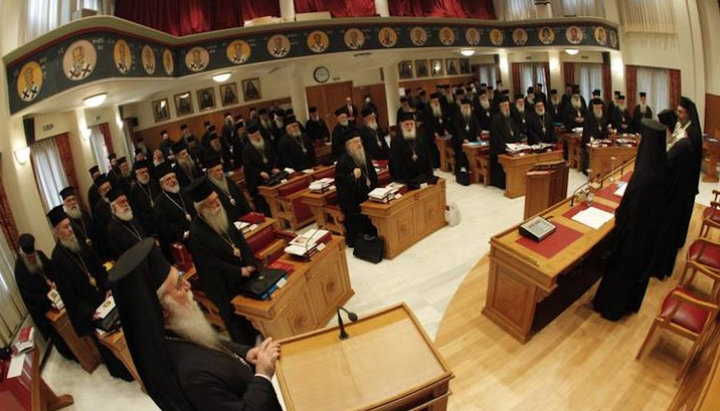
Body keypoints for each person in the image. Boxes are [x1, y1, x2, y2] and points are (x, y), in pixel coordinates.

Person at [109, 239, 282, 410]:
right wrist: (263, 375)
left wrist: (245, 353)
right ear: (162, 310)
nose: (188, 285)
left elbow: (209, 344)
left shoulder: (174, 329)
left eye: (181, 277)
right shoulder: (192, 377)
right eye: (178, 285)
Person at [593, 119, 669, 321]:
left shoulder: (644, 175)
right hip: (646, 236)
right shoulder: (661, 166)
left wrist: (619, 223)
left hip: (631, 237)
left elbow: (630, 210)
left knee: (620, 273)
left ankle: (610, 308)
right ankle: (625, 305)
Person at [47, 206, 133, 381]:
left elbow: (97, 265)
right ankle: (121, 371)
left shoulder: (78, 241)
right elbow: (67, 294)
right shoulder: (57, 258)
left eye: (69, 224)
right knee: (104, 341)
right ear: (56, 232)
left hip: (103, 294)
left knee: (121, 328)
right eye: (65, 227)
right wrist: (88, 312)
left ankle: (132, 360)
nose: (70, 228)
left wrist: (108, 286)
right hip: (88, 305)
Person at [186, 177, 261, 345]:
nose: (218, 203)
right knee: (239, 326)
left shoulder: (220, 213)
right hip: (223, 284)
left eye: (217, 199)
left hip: (243, 272)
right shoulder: (196, 234)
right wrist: (238, 271)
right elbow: (211, 265)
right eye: (212, 202)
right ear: (202, 207)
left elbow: (240, 240)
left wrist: (249, 262)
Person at [652, 99, 703, 278]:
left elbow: (688, 164)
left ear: (688, 114)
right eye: (678, 112)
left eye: (681, 113)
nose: (678, 115)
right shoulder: (684, 127)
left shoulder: (691, 134)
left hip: (683, 186)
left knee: (672, 224)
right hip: (679, 182)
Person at [14, 233, 74, 360]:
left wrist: (54, 282)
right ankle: (69, 354)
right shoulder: (19, 269)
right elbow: (29, 296)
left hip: (57, 297)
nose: (32, 258)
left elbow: (53, 270)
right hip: (43, 306)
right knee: (58, 334)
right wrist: (46, 296)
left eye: (32, 256)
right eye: (29, 257)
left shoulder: (39, 255)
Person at [335, 130, 378, 247]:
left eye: (360, 141)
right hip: (354, 204)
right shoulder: (343, 162)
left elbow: (372, 176)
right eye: (356, 142)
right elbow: (341, 186)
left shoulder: (363, 156)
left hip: (369, 197)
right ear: (348, 145)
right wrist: (352, 177)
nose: (360, 144)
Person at [153, 163, 197, 251]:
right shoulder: (159, 203)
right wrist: (183, 233)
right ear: (162, 184)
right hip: (179, 242)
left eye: (174, 177)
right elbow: (164, 226)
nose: (173, 180)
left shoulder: (184, 192)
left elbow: (194, 211)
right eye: (169, 179)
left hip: (195, 234)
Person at [60, 186, 108, 261]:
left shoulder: (84, 213)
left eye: (73, 199)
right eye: (69, 201)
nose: (72, 202)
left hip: (96, 252)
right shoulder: (66, 221)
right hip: (84, 257)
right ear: (64, 204)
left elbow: (95, 232)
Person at [242, 125, 280, 215]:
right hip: (258, 182)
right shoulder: (247, 149)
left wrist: (275, 167)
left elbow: (275, 157)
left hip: (272, 177)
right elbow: (248, 167)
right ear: (250, 137)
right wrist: (259, 173)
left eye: (259, 134)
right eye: (255, 135)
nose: (258, 137)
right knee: (264, 206)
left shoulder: (267, 143)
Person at [206, 155, 252, 222]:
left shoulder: (228, 180)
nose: (221, 172)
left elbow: (241, 197)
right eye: (217, 170)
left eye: (221, 169)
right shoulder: (209, 187)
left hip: (243, 217)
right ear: (210, 173)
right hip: (228, 221)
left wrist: (249, 213)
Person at [489, 96, 522, 189]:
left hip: (513, 148)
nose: (507, 108)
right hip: (501, 150)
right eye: (504, 106)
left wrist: (517, 143)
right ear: (500, 107)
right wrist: (507, 148)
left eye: (507, 105)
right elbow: (496, 138)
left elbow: (516, 132)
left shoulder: (510, 118)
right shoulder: (495, 119)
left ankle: (518, 180)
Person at [389, 112, 433, 182]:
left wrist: (429, 173)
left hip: (422, 176)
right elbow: (395, 163)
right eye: (407, 124)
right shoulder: (396, 141)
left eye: (411, 124)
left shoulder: (420, 137)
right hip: (406, 178)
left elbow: (427, 156)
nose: (409, 127)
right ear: (401, 125)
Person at [106, 189, 147, 257]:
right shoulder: (112, 229)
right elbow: (121, 254)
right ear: (113, 207)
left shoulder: (131, 217)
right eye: (122, 202)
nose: (126, 204)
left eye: (126, 201)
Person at [129, 160, 159, 237]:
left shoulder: (153, 183)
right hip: (147, 225)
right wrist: (151, 217)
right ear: (136, 175)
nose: (145, 174)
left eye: (146, 171)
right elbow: (136, 212)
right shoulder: (134, 190)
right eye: (142, 173)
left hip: (160, 217)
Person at [581, 98, 610, 175]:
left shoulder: (603, 116)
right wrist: (591, 138)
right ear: (593, 107)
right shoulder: (589, 116)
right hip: (591, 140)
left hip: (600, 140)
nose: (598, 109)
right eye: (596, 108)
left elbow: (605, 130)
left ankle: (602, 168)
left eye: (599, 107)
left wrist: (605, 139)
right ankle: (590, 169)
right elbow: (586, 130)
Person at [452, 98, 480, 176]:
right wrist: (463, 139)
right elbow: (457, 130)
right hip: (459, 141)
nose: (466, 108)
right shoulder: (457, 115)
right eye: (465, 107)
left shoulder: (472, 114)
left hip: (472, 139)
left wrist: (478, 135)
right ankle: (463, 168)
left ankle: (474, 168)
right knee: (462, 152)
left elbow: (477, 126)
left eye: (468, 107)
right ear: (461, 107)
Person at [92, 174, 114, 240]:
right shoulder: (99, 208)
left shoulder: (117, 197)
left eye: (109, 187)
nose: (108, 191)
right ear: (100, 192)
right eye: (105, 189)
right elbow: (103, 229)